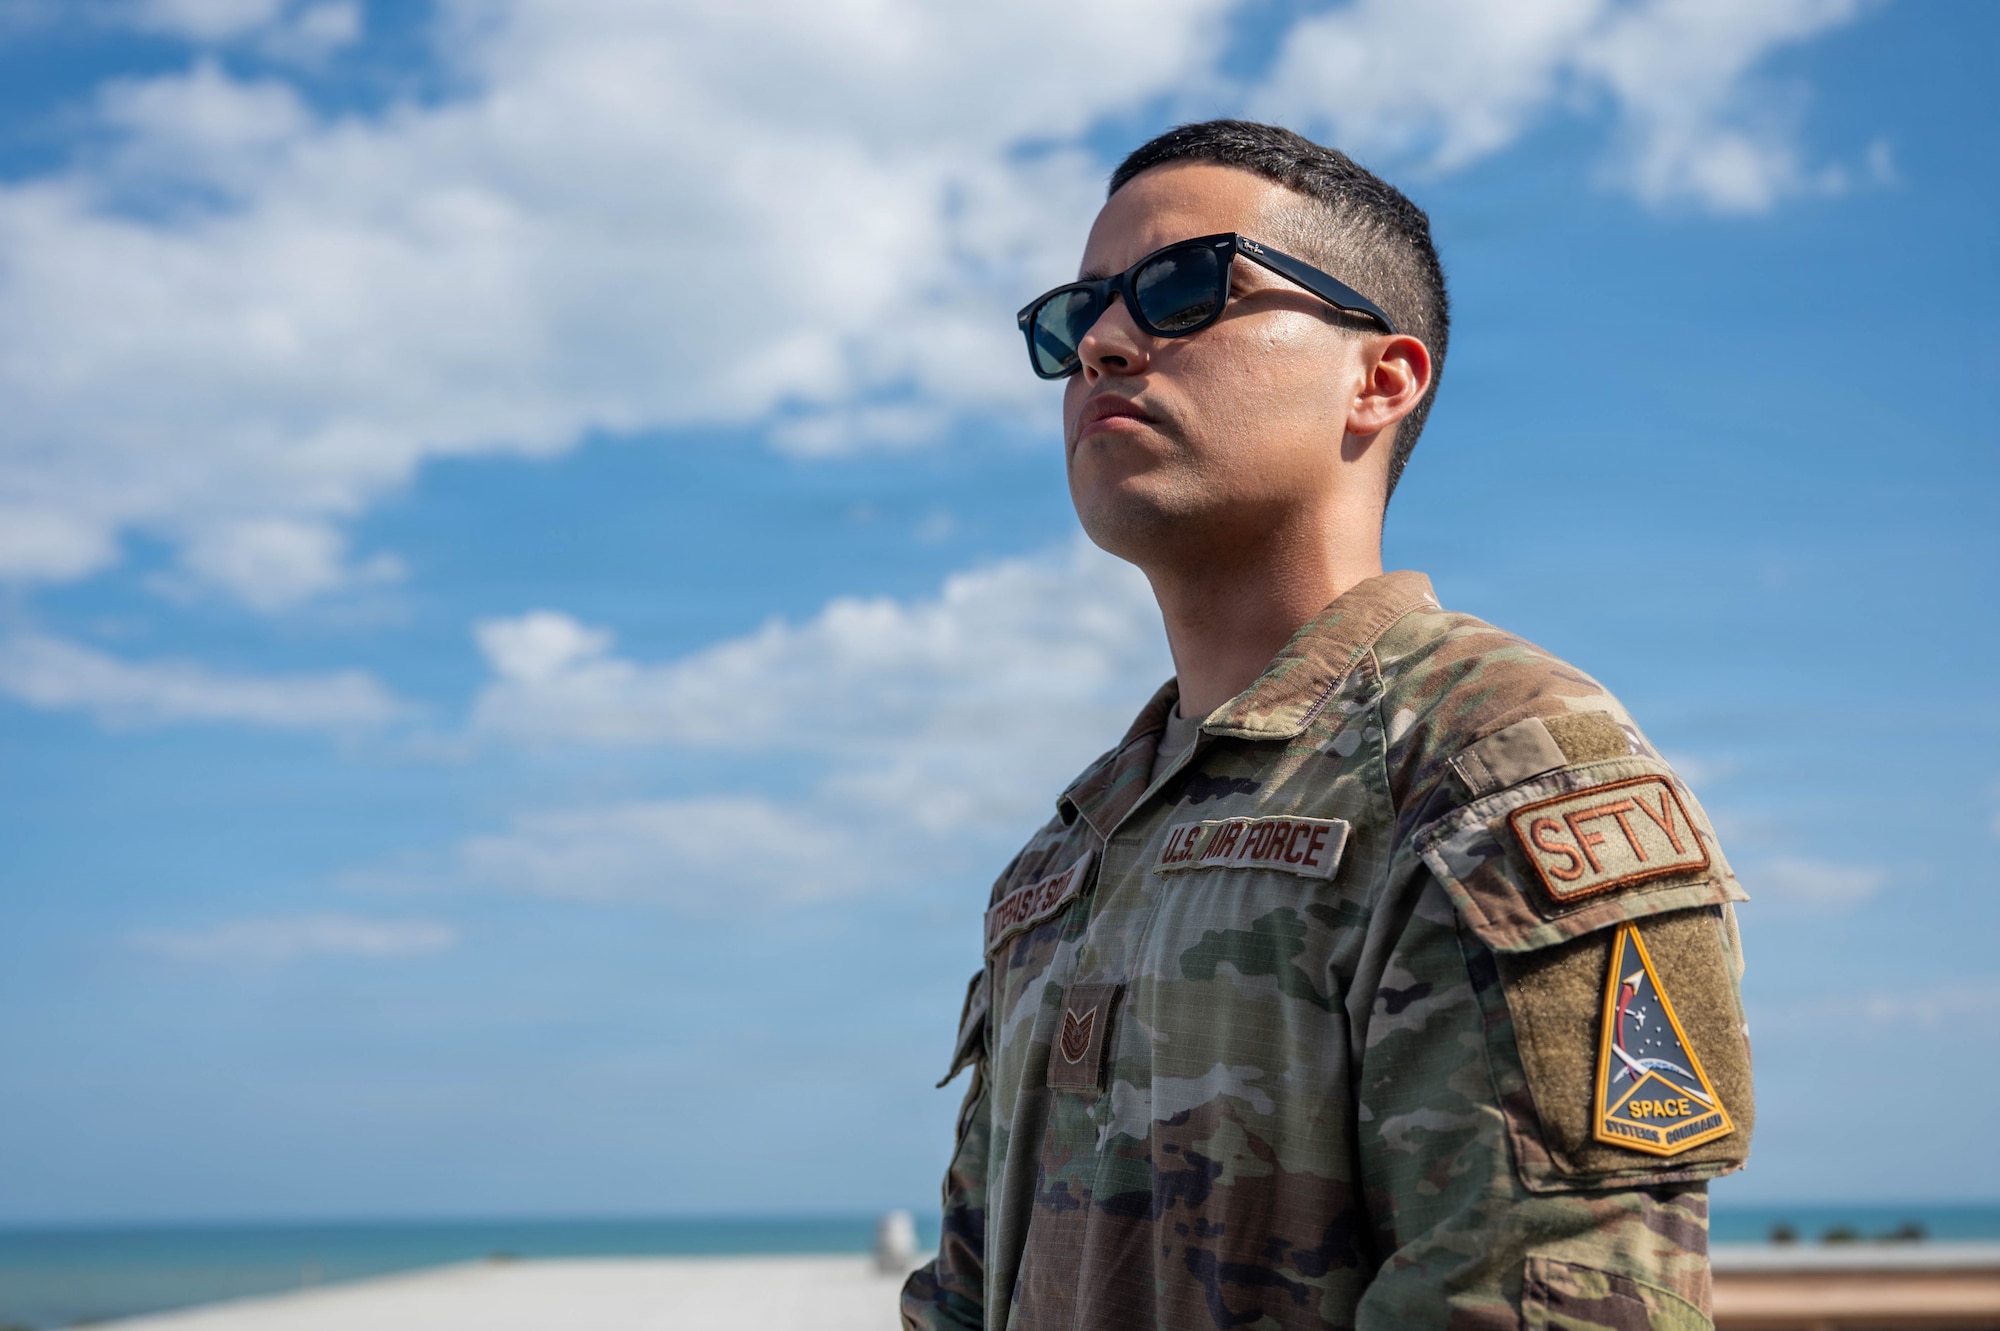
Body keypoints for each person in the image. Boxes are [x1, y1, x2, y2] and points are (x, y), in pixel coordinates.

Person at [901, 120, 1753, 1331]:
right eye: (1072, 314)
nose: (1100, 341)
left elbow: (1543, 1305)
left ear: (1380, 378)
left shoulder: (1495, 765)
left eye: (1183, 286)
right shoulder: (1068, 850)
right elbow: (960, 1291)